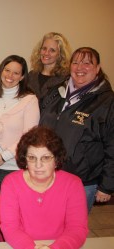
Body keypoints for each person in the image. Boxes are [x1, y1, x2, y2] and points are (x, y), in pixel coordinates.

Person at [40, 47, 114, 212]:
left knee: (72, 229)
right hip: (47, 175)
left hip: (82, 181)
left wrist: (107, 186)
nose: (80, 67)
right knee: (48, 223)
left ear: (97, 68)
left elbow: (112, 145)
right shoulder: (56, 92)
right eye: (76, 62)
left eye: (87, 63)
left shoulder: (107, 102)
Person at [0, 126, 88, 249]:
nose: (38, 165)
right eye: (32, 158)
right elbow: (10, 227)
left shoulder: (73, 184)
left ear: (56, 159)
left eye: (46, 158)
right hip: (18, 245)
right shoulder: (11, 183)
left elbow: (77, 228)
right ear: (24, 160)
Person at [0, 55, 39, 189]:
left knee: (9, 208)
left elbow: (29, 136)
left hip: (12, 167)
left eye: (16, 73)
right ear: (1, 71)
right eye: (7, 70)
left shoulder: (30, 100)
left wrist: (4, 157)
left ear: (22, 77)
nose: (10, 75)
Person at [29, 32, 71, 100]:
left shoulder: (65, 79)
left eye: (52, 50)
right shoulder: (31, 75)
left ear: (60, 54)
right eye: (44, 48)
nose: (46, 53)